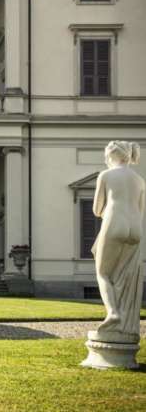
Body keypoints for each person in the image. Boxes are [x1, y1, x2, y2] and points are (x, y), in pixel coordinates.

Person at [91, 140, 144, 339]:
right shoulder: (139, 179)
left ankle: (113, 314)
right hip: (135, 230)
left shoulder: (106, 175)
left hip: (115, 224)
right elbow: (141, 210)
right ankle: (124, 323)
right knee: (123, 276)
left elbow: (97, 210)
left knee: (103, 274)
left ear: (111, 156)